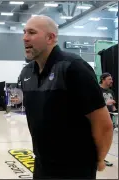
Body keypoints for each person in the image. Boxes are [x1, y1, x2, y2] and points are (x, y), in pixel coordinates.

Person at [18, 15, 113, 179]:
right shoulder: (27, 73)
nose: (25, 38)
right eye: (24, 32)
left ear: (51, 38)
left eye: (32, 33)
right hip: (42, 165)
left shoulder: (73, 67)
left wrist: (98, 160)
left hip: (74, 169)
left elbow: (103, 124)